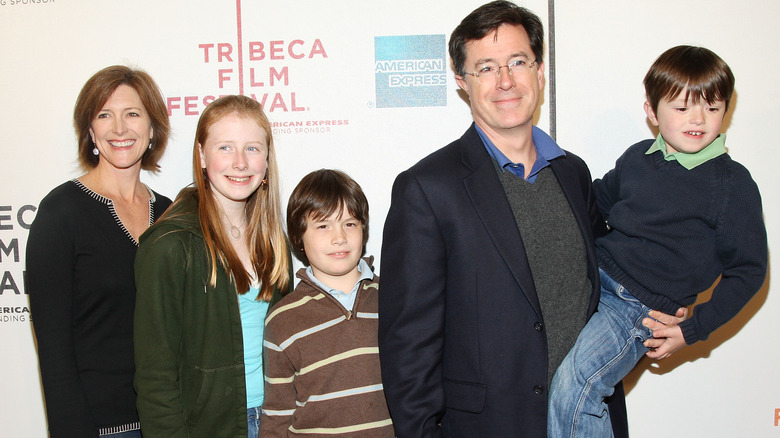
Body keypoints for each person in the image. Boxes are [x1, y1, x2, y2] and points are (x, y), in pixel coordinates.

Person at [376, 2, 691, 436]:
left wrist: (673, 314)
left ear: (539, 71)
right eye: (485, 68)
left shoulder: (573, 173)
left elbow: (618, 273)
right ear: (462, 84)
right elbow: (407, 346)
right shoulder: (427, 189)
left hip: (588, 419)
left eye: (517, 62)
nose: (505, 81)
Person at [548, 45, 768, 437]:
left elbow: (748, 272)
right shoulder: (638, 157)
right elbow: (596, 203)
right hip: (593, 279)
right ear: (651, 111)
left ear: (725, 110)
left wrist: (693, 329)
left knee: (579, 384)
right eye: (682, 108)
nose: (698, 119)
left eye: (712, 107)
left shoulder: (732, 185)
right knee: (533, 353)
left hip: (637, 311)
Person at [133, 95, 292, 438]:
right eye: (225, 148)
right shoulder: (170, 244)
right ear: (202, 155)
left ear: (267, 159)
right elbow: (155, 375)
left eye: (252, 148)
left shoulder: (274, 239)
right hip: (209, 426)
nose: (240, 162)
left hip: (279, 419)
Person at [27, 65, 172, 437]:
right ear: (90, 131)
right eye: (104, 115)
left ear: (153, 128)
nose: (120, 128)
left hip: (171, 420)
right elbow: (53, 347)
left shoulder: (173, 214)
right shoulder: (61, 213)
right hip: (100, 426)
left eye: (133, 114)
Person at [259, 169, 394, 437]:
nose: (339, 237)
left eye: (350, 223)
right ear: (298, 237)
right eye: (323, 225)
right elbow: (277, 413)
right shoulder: (282, 320)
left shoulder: (395, 298)